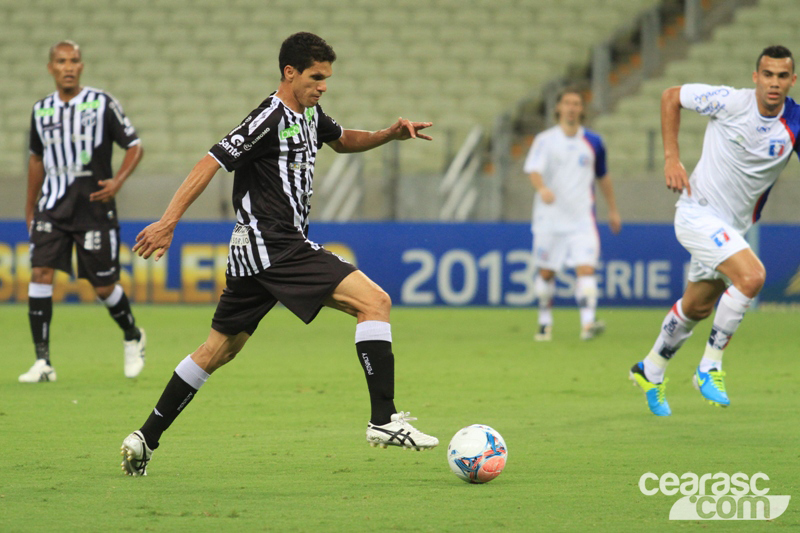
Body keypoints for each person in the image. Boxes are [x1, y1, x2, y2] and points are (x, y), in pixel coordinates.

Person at [119, 32, 438, 476]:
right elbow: (210, 161)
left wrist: (389, 134)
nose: (323, 86)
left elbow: (343, 139)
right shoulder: (268, 117)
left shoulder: (310, 114)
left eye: (326, 79)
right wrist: (168, 220)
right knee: (375, 302)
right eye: (316, 78)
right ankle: (383, 419)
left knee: (218, 351)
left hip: (254, 254)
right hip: (277, 244)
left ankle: (144, 438)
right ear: (290, 73)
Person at [630, 45, 799, 416]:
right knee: (752, 277)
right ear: (755, 77)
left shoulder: (795, 124)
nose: (774, 83)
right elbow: (671, 96)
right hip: (697, 213)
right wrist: (671, 158)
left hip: (732, 229)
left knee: (697, 306)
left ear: (792, 80)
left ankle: (650, 368)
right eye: (767, 74)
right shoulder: (729, 101)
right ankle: (709, 366)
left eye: (782, 76)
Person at [20, 40, 146, 383]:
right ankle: (43, 362)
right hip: (52, 208)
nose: (68, 67)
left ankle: (133, 334)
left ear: (81, 66)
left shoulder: (102, 103)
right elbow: (36, 159)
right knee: (40, 273)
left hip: (93, 209)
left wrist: (118, 181)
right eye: (61, 61)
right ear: (51, 68)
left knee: (103, 287)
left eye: (74, 60)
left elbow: (134, 145)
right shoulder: (41, 110)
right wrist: (30, 206)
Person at [523, 88, 621, 342]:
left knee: (586, 269)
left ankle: (588, 324)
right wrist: (542, 188)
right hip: (549, 218)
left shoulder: (593, 142)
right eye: (567, 103)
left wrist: (612, 209)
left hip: (581, 219)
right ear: (558, 108)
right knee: (546, 273)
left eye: (576, 103)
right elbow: (533, 170)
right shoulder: (544, 140)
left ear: (582, 109)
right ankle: (545, 322)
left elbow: (603, 176)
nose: (571, 107)